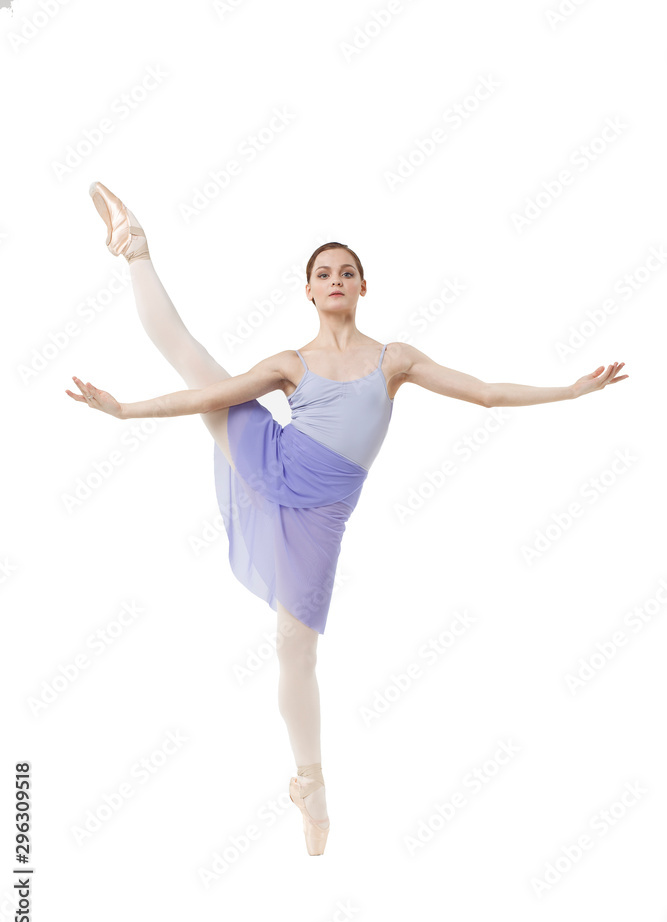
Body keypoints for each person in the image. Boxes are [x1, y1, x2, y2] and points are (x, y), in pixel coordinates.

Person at [66, 181, 629, 854]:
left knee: (293, 649)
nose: (335, 279)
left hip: (318, 516)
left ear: (364, 286)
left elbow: (484, 394)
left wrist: (569, 391)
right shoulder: (289, 363)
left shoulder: (395, 360)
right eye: (322, 273)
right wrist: (125, 411)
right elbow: (209, 392)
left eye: (346, 272)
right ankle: (135, 250)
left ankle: (309, 787)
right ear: (307, 290)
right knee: (192, 358)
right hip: (268, 453)